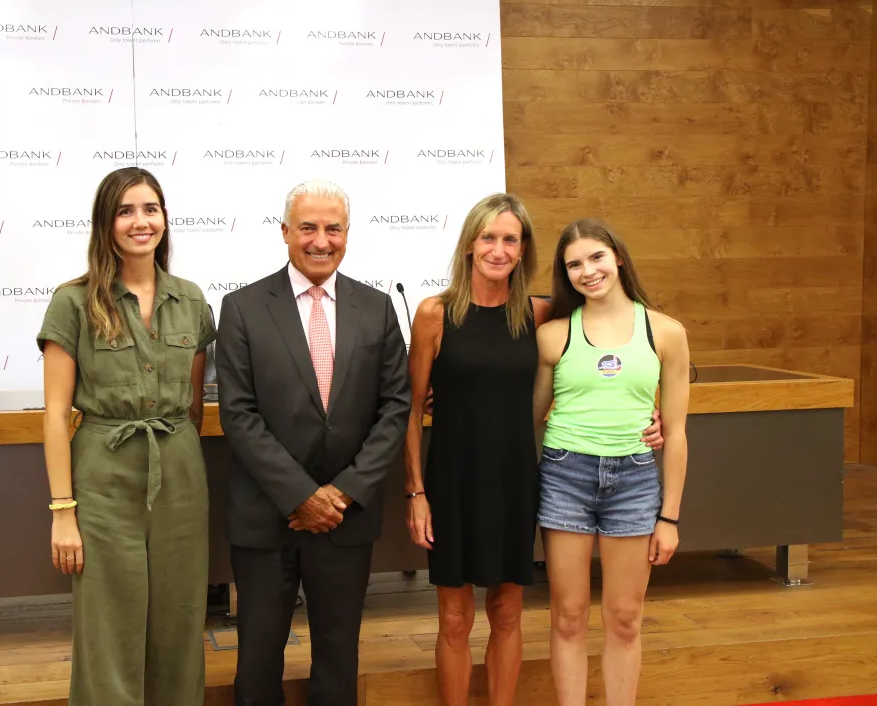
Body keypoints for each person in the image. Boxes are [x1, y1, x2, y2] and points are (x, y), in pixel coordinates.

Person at [405, 195, 663, 706]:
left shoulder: (541, 313)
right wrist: (416, 492)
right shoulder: (434, 315)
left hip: (516, 480)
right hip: (451, 480)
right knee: (454, 618)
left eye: (511, 239)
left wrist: (648, 416)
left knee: (506, 611)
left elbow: (599, 353)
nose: (499, 249)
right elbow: (411, 411)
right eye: (489, 238)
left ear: (524, 250)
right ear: (469, 245)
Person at [215, 179, 410, 706]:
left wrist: (340, 494)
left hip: (345, 520)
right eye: (308, 227)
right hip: (265, 517)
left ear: (347, 234)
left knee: (338, 655)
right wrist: (302, 496)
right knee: (257, 658)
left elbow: (395, 408)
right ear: (284, 233)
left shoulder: (377, 308)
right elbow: (238, 414)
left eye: (333, 228)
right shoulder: (243, 307)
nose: (321, 240)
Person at [37, 167, 216, 706]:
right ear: (105, 223)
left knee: (181, 619)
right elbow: (53, 415)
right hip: (103, 477)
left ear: (165, 218)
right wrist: (63, 510)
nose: (141, 222)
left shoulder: (190, 300)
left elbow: (192, 403)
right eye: (126, 211)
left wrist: (182, 456)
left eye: (151, 209)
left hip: (180, 475)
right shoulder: (72, 302)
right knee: (108, 623)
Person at [532, 218, 689, 706]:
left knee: (625, 618)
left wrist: (670, 517)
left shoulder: (666, 332)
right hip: (565, 476)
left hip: (636, 482)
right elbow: (527, 418)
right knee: (569, 616)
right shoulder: (554, 335)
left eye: (596, 257)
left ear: (617, 256)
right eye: (574, 264)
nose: (587, 270)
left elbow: (677, 432)